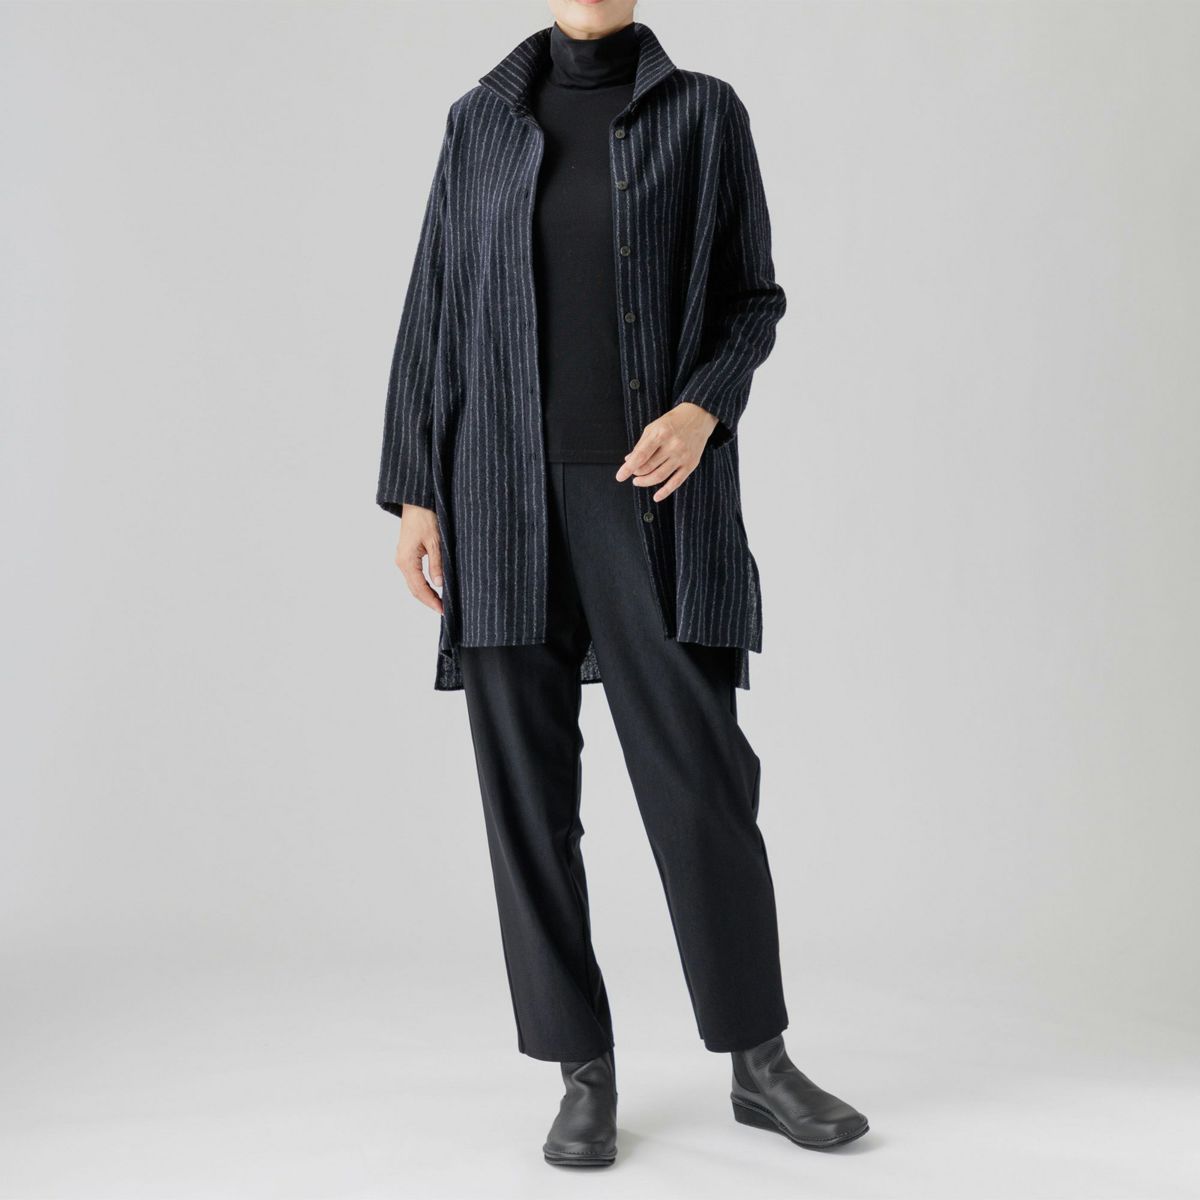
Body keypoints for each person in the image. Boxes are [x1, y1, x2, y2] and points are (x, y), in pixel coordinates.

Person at [376, 0, 868, 1167]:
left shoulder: (703, 115)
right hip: (495, 498)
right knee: (528, 800)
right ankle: (581, 1074)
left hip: (651, 500)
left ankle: (758, 1061)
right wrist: (415, 490)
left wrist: (702, 409)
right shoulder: (477, 124)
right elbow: (433, 307)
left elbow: (751, 298)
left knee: (701, 780)